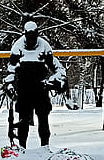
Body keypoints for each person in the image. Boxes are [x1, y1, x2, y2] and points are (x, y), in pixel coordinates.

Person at [4, 20, 66, 149]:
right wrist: (10, 84)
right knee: (23, 121)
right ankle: (22, 148)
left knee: (43, 119)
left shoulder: (44, 47)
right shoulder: (18, 47)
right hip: (24, 89)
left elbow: (58, 69)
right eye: (29, 36)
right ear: (25, 34)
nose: (31, 40)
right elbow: (11, 69)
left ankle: (45, 147)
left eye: (34, 36)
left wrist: (54, 80)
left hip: (40, 88)